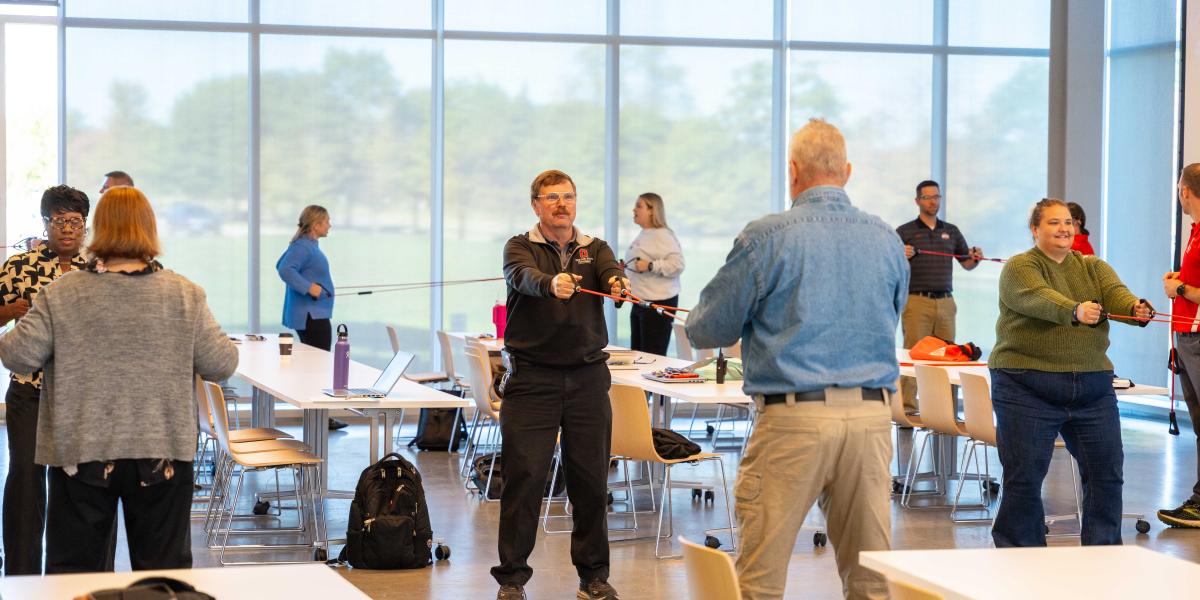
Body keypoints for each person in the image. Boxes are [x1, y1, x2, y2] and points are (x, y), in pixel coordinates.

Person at [686, 119, 909, 600]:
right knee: (871, 582)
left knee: (759, 581)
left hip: (794, 420)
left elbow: (709, 328)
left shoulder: (767, 237)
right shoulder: (887, 239)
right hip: (872, 420)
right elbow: (892, 313)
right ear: (846, 171)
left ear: (792, 170)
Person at [0, 186, 238, 573]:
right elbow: (222, 363)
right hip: (162, 453)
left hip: (82, 451)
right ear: (150, 230)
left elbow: (16, 354)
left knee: (77, 575)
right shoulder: (184, 294)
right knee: (163, 575)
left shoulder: (63, 294)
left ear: (96, 230)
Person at [492, 169, 627, 600]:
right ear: (536, 205)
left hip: (588, 380)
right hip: (532, 380)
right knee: (525, 479)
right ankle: (512, 579)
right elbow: (522, 277)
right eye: (551, 197)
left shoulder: (596, 248)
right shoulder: (520, 247)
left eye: (568, 196)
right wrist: (551, 284)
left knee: (590, 482)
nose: (561, 204)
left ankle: (593, 577)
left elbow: (610, 273)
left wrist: (618, 285)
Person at [989, 198, 1153, 547]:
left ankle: (1103, 552)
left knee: (1106, 474)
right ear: (1034, 229)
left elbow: (1117, 295)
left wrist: (1135, 309)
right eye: (1053, 222)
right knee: (1024, 478)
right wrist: (1075, 310)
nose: (1064, 228)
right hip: (1025, 386)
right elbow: (1037, 298)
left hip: (1092, 388)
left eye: (1068, 222)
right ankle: (1020, 555)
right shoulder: (1020, 267)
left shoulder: (1093, 267)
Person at [0, 185, 90, 575]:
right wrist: (8, 309)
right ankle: (20, 571)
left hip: (83, 396)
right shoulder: (19, 266)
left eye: (75, 222)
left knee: (78, 487)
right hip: (29, 391)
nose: (67, 230)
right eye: (59, 221)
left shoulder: (99, 269)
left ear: (85, 225)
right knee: (25, 479)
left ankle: (68, 572)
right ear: (45, 223)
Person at [895, 180, 984, 410]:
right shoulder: (904, 231)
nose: (933, 201)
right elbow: (888, 263)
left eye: (937, 197)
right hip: (916, 302)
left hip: (945, 302)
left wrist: (975, 258)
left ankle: (945, 410)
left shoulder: (951, 231)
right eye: (927, 197)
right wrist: (899, 255)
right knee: (913, 355)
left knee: (950, 356)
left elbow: (967, 263)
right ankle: (908, 409)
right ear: (917, 201)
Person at [276, 205, 346, 431]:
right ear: (316, 225)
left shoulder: (305, 245)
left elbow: (281, 265)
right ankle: (319, 417)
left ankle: (318, 417)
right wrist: (309, 288)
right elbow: (285, 270)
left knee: (316, 367)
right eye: (326, 221)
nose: (330, 225)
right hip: (311, 316)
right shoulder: (304, 247)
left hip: (314, 314)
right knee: (319, 368)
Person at [1159, 163, 1200, 528]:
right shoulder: (1195, 230)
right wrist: (1182, 279)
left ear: (1185, 190)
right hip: (1187, 337)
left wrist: (1181, 289)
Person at [623, 192, 685, 356]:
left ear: (652, 210)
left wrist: (650, 265)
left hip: (657, 303)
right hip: (640, 301)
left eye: (639, 206)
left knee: (652, 356)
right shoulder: (645, 233)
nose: (634, 209)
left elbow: (678, 265)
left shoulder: (663, 235)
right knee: (637, 355)